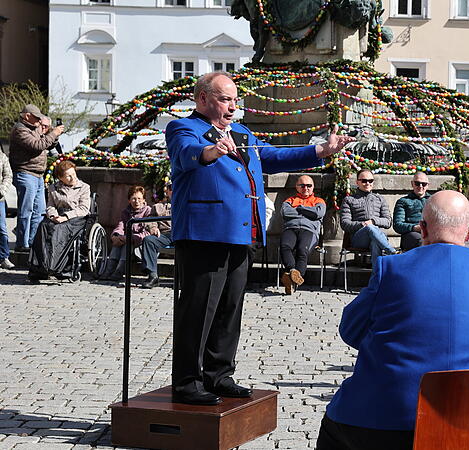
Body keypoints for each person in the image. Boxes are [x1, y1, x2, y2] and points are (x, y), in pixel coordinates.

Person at [166, 71, 352, 405]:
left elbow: (275, 157)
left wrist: (321, 150)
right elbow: (186, 154)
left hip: (241, 233)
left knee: (230, 309)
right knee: (198, 310)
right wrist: (211, 151)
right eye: (225, 99)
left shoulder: (241, 132)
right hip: (204, 234)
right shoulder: (184, 128)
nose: (232, 106)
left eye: (235, 100)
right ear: (203, 98)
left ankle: (219, 375)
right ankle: (187, 382)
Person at [317, 191, 469, 450]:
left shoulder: (392, 268)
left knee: (334, 432)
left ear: (423, 229)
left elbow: (351, 330)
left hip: (393, 420)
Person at [9, 104, 65, 251]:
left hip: (38, 175)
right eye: (37, 118)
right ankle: (22, 244)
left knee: (39, 211)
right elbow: (37, 145)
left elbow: (48, 145)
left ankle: (33, 242)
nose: (39, 121)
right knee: (26, 210)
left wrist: (53, 134)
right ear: (27, 116)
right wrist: (53, 133)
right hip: (25, 173)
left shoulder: (34, 128)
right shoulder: (20, 129)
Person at [28, 160, 90, 279]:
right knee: (43, 226)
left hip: (76, 218)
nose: (73, 178)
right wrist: (53, 216)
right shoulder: (53, 188)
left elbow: (83, 208)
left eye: (73, 174)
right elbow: (50, 206)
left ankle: (55, 267)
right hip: (58, 215)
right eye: (68, 176)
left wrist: (66, 217)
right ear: (60, 178)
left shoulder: (84, 187)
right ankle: (39, 267)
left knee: (59, 229)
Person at [340, 169, 396, 270]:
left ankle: (376, 277)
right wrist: (363, 224)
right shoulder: (349, 200)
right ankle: (392, 252)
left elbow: (388, 221)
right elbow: (345, 223)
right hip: (359, 238)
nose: (367, 183)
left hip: (378, 236)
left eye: (370, 181)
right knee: (369, 228)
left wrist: (373, 221)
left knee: (375, 243)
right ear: (357, 182)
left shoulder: (380, 199)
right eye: (364, 181)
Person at [279, 174, 326, 294]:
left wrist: (299, 208)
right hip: (291, 228)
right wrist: (308, 212)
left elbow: (318, 213)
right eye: (302, 185)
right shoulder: (289, 200)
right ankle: (293, 272)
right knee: (285, 246)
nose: (306, 188)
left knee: (302, 250)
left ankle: (291, 280)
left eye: (309, 185)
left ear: (313, 186)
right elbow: (285, 212)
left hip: (309, 231)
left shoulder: (319, 201)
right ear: (297, 186)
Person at [100, 185, 152, 282]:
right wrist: (116, 236)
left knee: (126, 244)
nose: (136, 201)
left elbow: (148, 233)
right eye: (133, 199)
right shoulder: (126, 212)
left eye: (139, 199)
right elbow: (121, 226)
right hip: (126, 240)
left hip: (140, 245)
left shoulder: (148, 211)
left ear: (144, 200)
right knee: (117, 244)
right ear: (129, 200)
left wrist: (129, 238)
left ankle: (119, 271)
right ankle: (108, 270)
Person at [140, 184, 173, 289]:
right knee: (148, 240)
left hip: (182, 234)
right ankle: (153, 276)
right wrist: (153, 228)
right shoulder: (158, 206)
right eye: (171, 188)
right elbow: (149, 220)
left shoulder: (186, 205)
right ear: (167, 191)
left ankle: (185, 278)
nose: (173, 191)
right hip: (165, 234)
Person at [392, 172, 430, 252]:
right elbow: (397, 225)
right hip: (411, 234)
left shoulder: (433, 200)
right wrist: (414, 228)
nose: (420, 186)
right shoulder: (403, 201)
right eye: (417, 183)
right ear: (412, 184)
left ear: (427, 185)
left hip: (430, 232)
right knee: (421, 241)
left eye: (423, 184)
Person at [0, 149, 12, 269]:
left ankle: (4, 257)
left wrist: (2, 190)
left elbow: (8, 176)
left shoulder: (2, 156)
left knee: (2, 228)